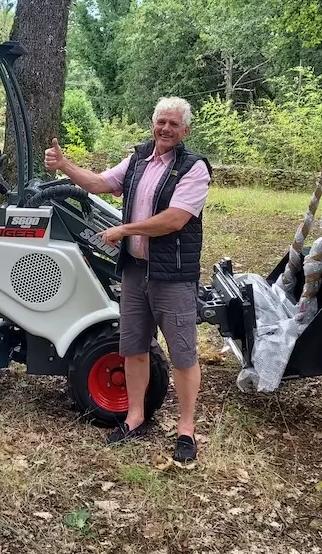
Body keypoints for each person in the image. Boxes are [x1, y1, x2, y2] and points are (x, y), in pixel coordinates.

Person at [45, 96, 211, 463]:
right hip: (136, 271)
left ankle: (186, 430)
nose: (165, 129)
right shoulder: (138, 159)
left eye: (173, 124)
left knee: (183, 354)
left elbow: (175, 219)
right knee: (133, 348)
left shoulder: (194, 168)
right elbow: (100, 183)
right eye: (160, 122)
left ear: (185, 130)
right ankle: (135, 418)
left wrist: (124, 229)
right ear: (153, 124)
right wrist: (65, 165)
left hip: (173, 275)